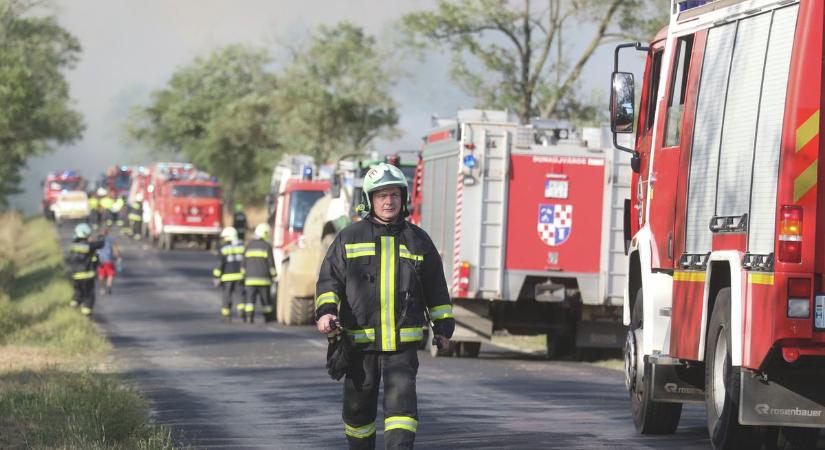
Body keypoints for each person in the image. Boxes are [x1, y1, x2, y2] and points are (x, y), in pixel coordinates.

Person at [315, 162, 455, 450]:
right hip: (358, 344)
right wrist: (326, 311)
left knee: (402, 414)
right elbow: (329, 281)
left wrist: (443, 326)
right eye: (381, 196)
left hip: (402, 349)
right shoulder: (349, 237)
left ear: (403, 199)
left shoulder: (419, 240)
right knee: (357, 415)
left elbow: (436, 289)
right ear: (369, 200)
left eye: (394, 195)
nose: (388, 201)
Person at [67, 223, 105, 316]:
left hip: (75, 276)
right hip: (87, 276)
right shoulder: (88, 246)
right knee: (88, 296)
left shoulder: (73, 246)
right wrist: (101, 236)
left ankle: (71, 310)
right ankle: (86, 314)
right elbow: (100, 244)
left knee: (78, 294)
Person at [243, 223, 277, 323]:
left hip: (249, 280)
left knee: (250, 300)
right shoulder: (267, 246)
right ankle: (268, 318)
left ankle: (249, 318)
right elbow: (271, 264)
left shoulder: (248, 246)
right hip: (264, 280)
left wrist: (244, 276)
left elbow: (243, 264)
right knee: (266, 301)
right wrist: (274, 275)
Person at [213, 226, 245, 322]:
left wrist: (216, 276)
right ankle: (241, 310)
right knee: (240, 295)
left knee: (227, 296)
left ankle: (227, 314)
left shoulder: (223, 248)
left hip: (227, 278)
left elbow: (220, 264)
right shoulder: (242, 247)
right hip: (240, 276)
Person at [96, 227, 121, 295]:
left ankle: (102, 288)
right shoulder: (111, 240)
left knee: (101, 275)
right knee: (110, 274)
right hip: (109, 259)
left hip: (100, 260)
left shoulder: (97, 239)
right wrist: (118, 257)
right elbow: (115, 249)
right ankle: (108, 286)